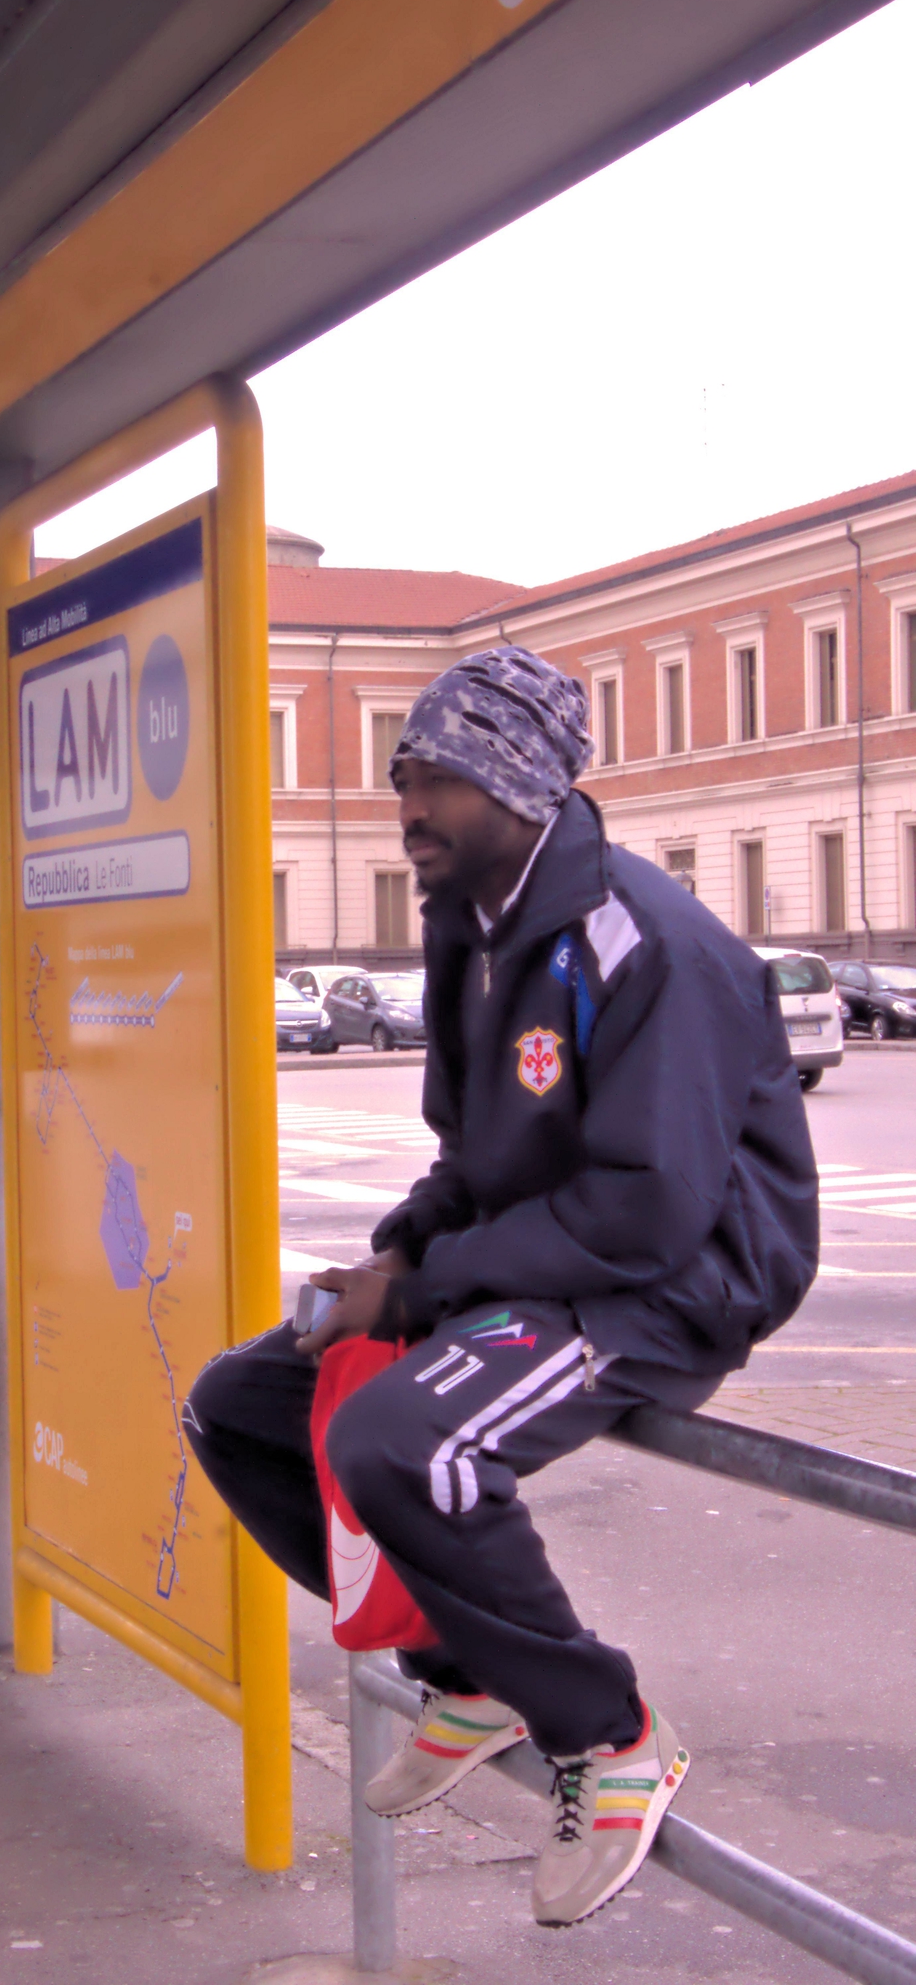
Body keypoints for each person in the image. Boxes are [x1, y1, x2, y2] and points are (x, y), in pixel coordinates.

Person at [183, 646, 818, 1926]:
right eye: (400, 777)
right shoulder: (469, 929)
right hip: (554, 1243)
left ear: (515, 784)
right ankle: (465, 1673)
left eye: (431, 780)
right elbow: (472, 1152)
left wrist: (420, 1299)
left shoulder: (649, 946)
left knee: (400, 1440)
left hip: (676, 1276)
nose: (404, 808)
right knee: (239, 1403)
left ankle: (610, 1730)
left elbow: (648, 1207)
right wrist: (400, 1250)